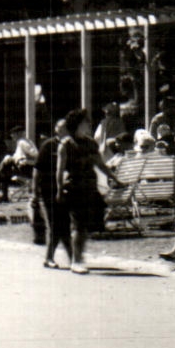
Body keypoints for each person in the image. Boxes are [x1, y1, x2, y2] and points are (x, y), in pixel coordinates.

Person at [55, 108, 125, 274]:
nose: (89, 124)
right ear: (77, 124)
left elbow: (100, 164)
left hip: (90, 187)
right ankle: (76, 261)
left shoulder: (90, 143)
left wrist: (114, 179)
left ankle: (76, 257)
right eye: (86, 121)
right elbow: (60, 170)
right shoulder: (66, 145)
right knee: (79, 226)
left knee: (84, 226)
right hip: (74, 188)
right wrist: (59, 190)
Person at [34, 118, 67, 257]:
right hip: (49, 188)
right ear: (56, 130)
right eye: (60, 127)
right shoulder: (48, 145)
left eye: (65, 127)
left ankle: (70, 257)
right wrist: (34, 191)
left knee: (63, 224)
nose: (63, 130)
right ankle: (50, 257)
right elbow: (37, 169)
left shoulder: (71, 145)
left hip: (66, 189)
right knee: (55, 224)